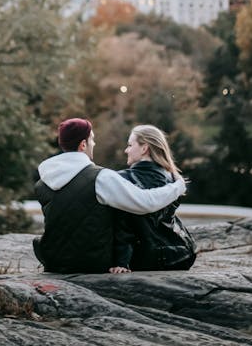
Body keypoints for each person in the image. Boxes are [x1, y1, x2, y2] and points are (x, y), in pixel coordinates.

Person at [33, 117, 187, 274]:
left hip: (53, 261)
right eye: (92, 139)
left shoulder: (42, 182)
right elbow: (146, 202)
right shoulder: (101, 178)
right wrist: (177, 186)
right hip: (90, 262)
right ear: (83, 144)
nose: (94, 144)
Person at [110, 124, 196, 274]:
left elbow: (123, 225)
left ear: (144, 149)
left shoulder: (122, 179)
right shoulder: (175, 179)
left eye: (130, 145)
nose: (126, 150)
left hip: (144, 259)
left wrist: (121, 262)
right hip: (181, 254)